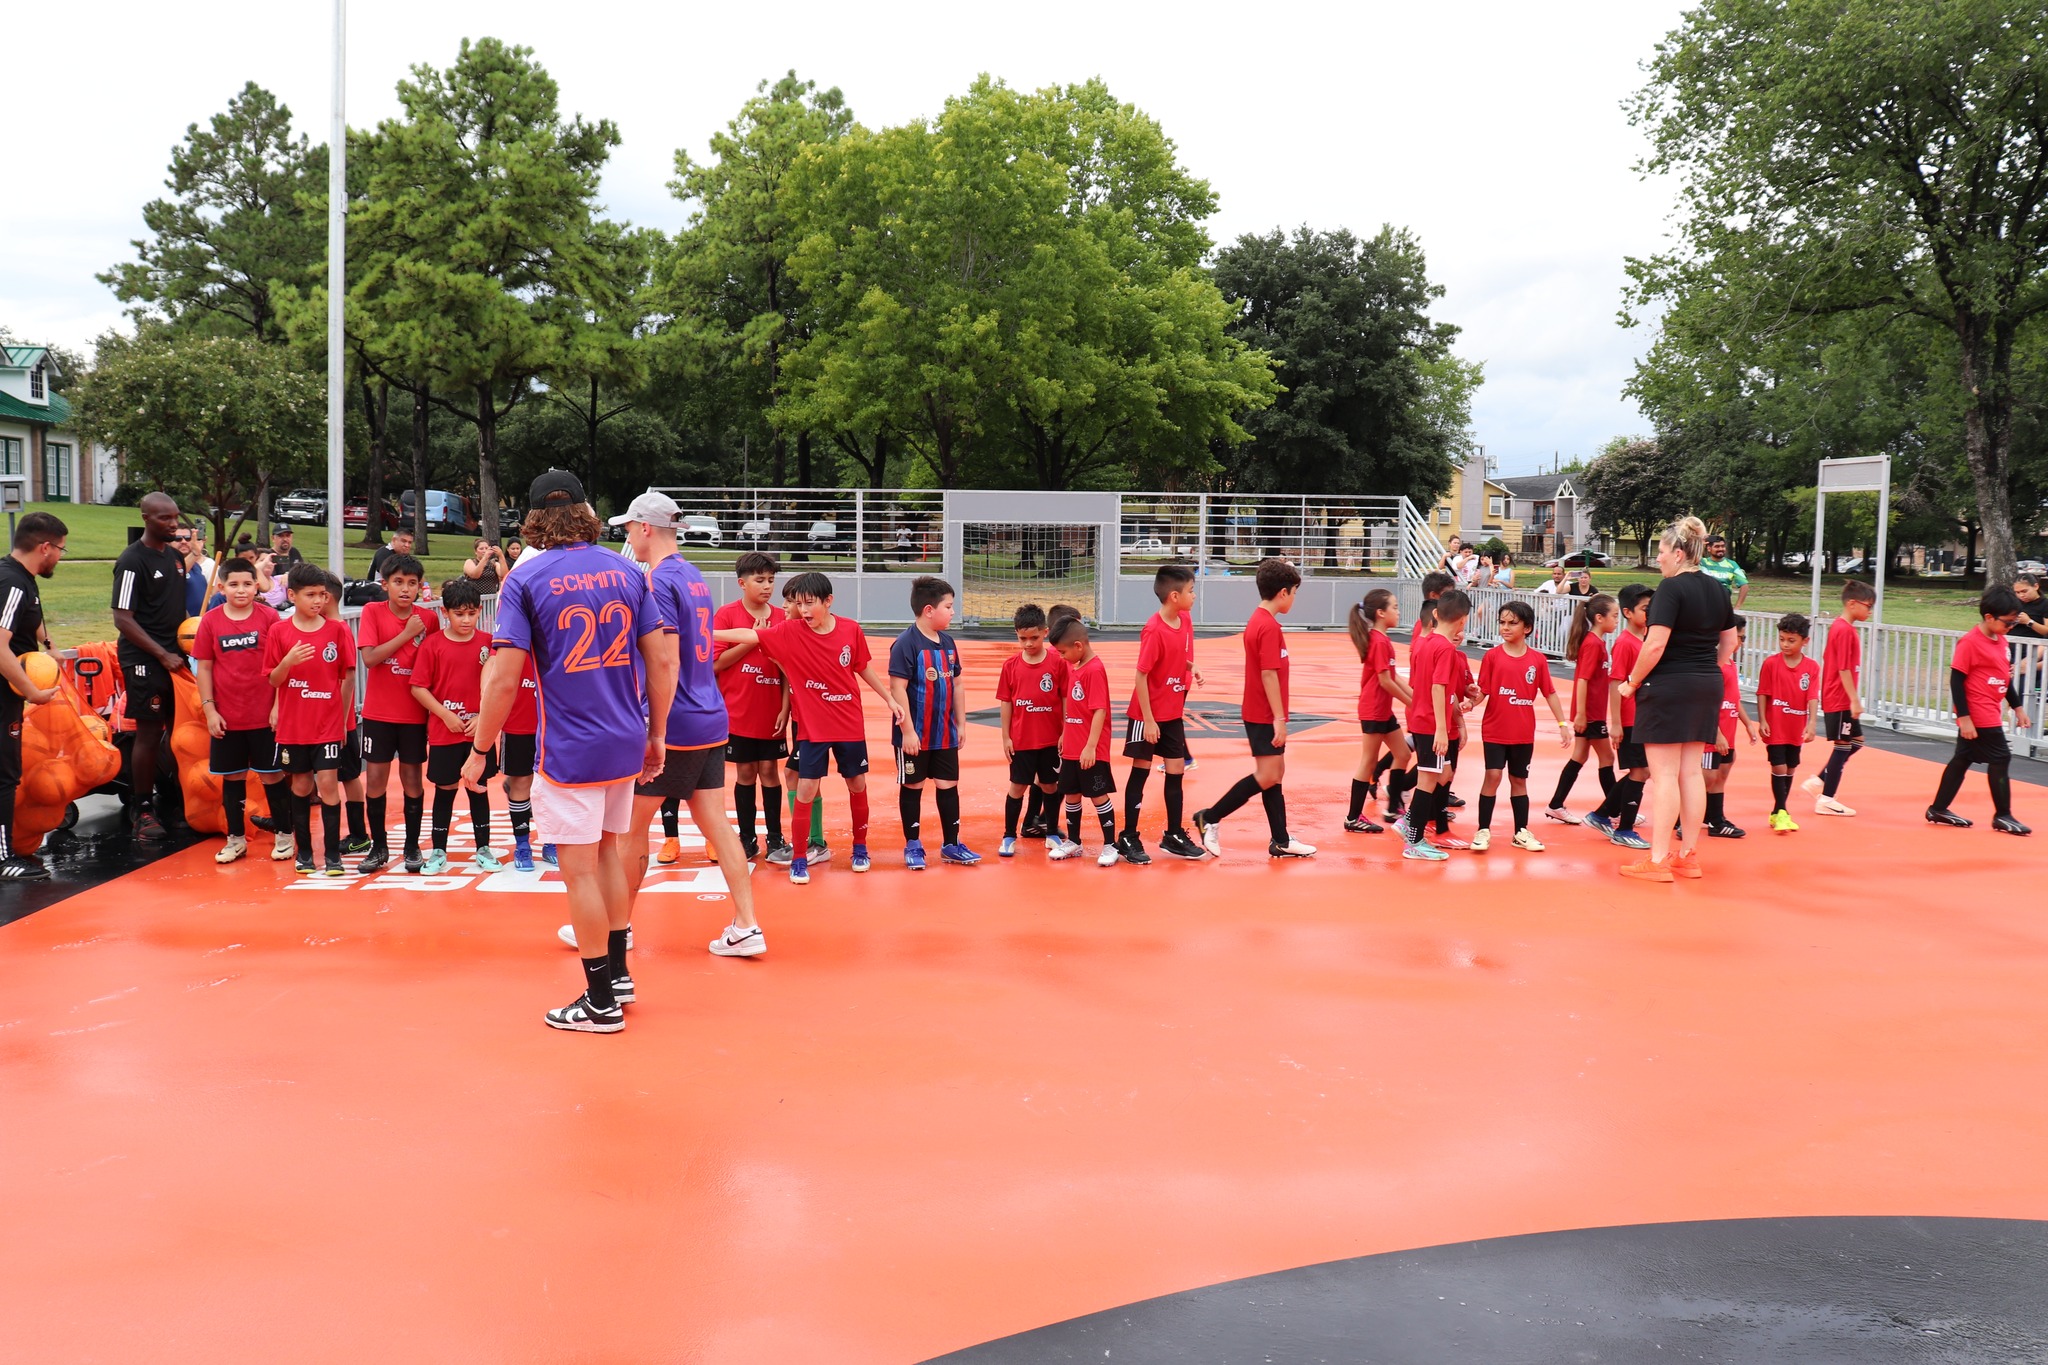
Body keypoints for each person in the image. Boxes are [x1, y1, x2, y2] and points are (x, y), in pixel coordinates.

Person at [462, 469, 676, 1034]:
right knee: (607, 856)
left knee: (578, 871)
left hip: (571, 745)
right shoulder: (628, 571)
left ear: (531, 520)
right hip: (624, 736)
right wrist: (655, 734)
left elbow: (503, 680)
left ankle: (599, 999)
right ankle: (620, 974)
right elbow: (661, 661)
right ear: (587, 510)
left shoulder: (526, 580)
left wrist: (481, 749)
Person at [613, 494, 765, 957]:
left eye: (628, 528)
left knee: (630, 827)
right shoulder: (694, 577)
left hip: (677, 721)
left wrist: (651, 727)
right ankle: (747, 923)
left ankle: (614, 928)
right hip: (709, 716)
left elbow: (667, 660)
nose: (626, 537)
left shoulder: (657, 582)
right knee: (714, 821)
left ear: (645, 528)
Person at [711, 572, 903, 885]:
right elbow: (750, 637)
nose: (804, 611)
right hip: (813, 727)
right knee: (805, 788)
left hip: (848, 723)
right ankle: (799, 858)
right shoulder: (790, 631)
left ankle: (860, 849)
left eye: (809, 604)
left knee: (856, 783)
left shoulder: (850, 630)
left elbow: (862, 667)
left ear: (828, 601)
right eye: (799, 605)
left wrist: (890, 700)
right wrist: (703, 631)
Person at [1612, 515, 1741, 882]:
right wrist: (1704, 666)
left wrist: (1631, 683)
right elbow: (1729, 643)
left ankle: (1657, 860)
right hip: (1706, 684)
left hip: (1668, 686)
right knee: (1690, 772)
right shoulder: (1719, 589)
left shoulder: (1670, 588)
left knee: (1665, 774)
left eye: (1663, 552)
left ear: (1680, 553)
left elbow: (1654, 644)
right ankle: (1688, 855)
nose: (1659, 559)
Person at [1192, 557, 1315, 860]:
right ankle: (1210, 816)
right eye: (1295, 593)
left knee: (1275, 773)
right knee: (1268, 774)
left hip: (1260, 711)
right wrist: (1279, 719)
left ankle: (1281, 840)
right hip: (1263, 713)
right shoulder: (1267, 626)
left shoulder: (1259, 621)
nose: (1295, 599)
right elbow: (1268, 674)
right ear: (1283, 592)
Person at [193, 557, 288, 865]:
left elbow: (281, 667)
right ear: (221, 587)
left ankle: (285, 835)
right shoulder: (210, 621)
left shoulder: (270, 617)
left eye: (247, 583)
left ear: (257, 585)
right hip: (227, 717)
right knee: (232, 779)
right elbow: (204, 667)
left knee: (272, 776)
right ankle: (236, 840)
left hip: (264, 717)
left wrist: (277, 706)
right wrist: (210, 710)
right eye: (233, 584)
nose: (241, 590)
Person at [266, 562, 357, 876]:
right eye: (310, 594)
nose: (318, 600)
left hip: (327, 724)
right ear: (291, 595)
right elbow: (273, 680)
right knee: (301, 785)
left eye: (322, 595)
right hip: (293, 727)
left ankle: (333, 855)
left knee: (329, 783)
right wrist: (288, 662)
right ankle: (304, 852)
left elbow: (347, 675)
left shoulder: (337, 630)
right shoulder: (279, 631)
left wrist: (345, 720)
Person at [113, 492, 193, 842]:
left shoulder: (176, 558)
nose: (174, 523)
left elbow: (177, 613)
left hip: (176, 658)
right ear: (146, 518)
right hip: (145, 660)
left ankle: (174, 802)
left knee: (179, 734)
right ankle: (142, 809)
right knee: (147, 733)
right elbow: (122, 618)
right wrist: (161, 655)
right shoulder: (132, 560)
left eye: (176, 516)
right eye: (165, 518)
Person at [409, 578, 503, 873]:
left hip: (479, 733)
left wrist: (483, 718)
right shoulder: (432, 645)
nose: (466, 619)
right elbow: (419, 687)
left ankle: (484, 849)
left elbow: (497, 686)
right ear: (445, 613)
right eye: (459, 613)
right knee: (445, 788)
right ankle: (438, 850)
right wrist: (445, 715)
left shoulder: (488, 643)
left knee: (478, 786)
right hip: (444, 732)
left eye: (472, 613)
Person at [354, 553, 438, 873]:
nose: (405, 589)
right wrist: (405, 635)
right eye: (398, 582)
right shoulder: (372, 611)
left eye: (412, 583)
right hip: (378, 713)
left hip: (415, 715)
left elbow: (434, 665)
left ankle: (413, 846)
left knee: (412, 781)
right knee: (375, 780)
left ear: (419, 587)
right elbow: (371, 658)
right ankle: (378, 847)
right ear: (385, 584)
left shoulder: (428, 620)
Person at [1925, 587, 2031, 835]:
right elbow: (1956, 681)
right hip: (1978, 711)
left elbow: (2004, 678)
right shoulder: (1970, 642)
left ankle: (1938, 808)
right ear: (1989, 617)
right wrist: (1965, 718)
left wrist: (2017, 707)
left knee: (1962, 759)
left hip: (1991, 709)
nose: (2011, 626)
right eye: (2008, 622)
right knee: (2001, 757)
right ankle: (2003, 815)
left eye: (2015, 621)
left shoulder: (2002, 640)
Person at [1472, 600, 1570, 852]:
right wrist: (1468, 703)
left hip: (1523, 732)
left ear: (1527, 628)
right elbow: (1483, 690)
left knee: (1519, 780)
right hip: (1495, 729)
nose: (1505, 627)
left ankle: (1521, 832)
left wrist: (1562, 723)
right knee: (1492, 776)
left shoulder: (1537, 660)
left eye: (1512, 623)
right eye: (1502, 622)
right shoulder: (1492, 656)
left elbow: (1549, 693)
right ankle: (1483, 830)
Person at [1121, 564, 1203, 863]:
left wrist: (1192, 667)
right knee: (1140, 772)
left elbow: (1176, 659)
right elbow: (1141, 676)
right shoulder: (1154, 630)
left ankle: (1173, 835)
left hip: (1171, 712)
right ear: (1173, 596)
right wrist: (1149, 720)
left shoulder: (1183, 620)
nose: (1194, 596)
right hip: (1147, 715)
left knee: (1176, 772)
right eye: (1191, 591)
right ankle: (1128, 836)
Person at [890, 576, 974, 869]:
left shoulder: (949, 643)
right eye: (948, 606)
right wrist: (908, 731)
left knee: (948, 784)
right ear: (929, 610)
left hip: (945, 733)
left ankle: (951, 843)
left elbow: (958, 684)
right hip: (915, 735)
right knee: (913, 786)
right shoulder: (905, 644)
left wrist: (961, 724)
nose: (953, 612)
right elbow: (897, 688)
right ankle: (913, 844)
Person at [0, 513, 67, 877]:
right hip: (5, 693)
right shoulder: (12, 583)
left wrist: (49, 644)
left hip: (11, 691)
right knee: (5, 774)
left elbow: (30, 615)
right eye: (59, 549)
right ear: (45, 547)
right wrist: (33, 692)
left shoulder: (21, 577)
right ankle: (2, 858)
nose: (59, 556)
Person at [712, 551, 790, 863]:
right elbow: (715, 663)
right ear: (742, 583)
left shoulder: (783, 617)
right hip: (737, 710)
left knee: (770, 771)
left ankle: (774, 836)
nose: (767, 586)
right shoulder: (726, 615)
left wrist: (786, 707)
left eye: (771, 580)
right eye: (760, 580)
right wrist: (752, 639)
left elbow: (787, 668)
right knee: (745, 772)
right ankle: (746, 838)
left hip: (771, 710)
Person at [1396, 589, 1473, 861]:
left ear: (1437, 614)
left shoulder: (1423, 643)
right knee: (1427, 782)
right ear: (1463, 620)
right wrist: (1442, 727)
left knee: (1433, 778)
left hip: (1420, 718)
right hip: (1430, 722)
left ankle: (1408, 826)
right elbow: (1438, 688)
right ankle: (1414, 840)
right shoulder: (1445, 649)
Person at [1583, 584, 1655, 851]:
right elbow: (1615, 684)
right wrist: (1615, 723)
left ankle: (1602, 814)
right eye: (1645, 609)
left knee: (1642, 772)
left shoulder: (1646, 640)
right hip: (1629, 719)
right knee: (1640, 771)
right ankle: (1623, 828)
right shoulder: (1625, 643)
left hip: (1644, 718)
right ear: (1627, 612)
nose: (1650, 613)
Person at [1046, 615, 1119, 866]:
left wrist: (1090, 747)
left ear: (1078, 646)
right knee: (1071, 795)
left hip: (1091, 750)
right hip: (1072, 748)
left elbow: (1099, 710)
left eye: (1063, 652)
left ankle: (1111, 844)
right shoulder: (1074, 665)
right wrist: (1066, 732)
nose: (1061, 657)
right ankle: (1074, 842)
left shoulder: (1095, 670)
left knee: (1098, 796)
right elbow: (1074, 708)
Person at [1545, 594, 1619, 824]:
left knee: (1580, 755)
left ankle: (1556, 804)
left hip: (1591, 712)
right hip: (1590, 714)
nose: (1617, 621)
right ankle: (1616, 809)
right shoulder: (1593, 644)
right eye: (1614, 616)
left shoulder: (1597, 642)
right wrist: (1580, 714)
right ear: (1599, 618)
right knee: (1607, 757)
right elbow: (1583, 680)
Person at [1802, 581, 1875, 816]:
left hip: (1841, 696)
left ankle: (1820, 781)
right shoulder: (1843, 629)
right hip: (1840, 697)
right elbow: (1843, 668)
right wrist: (1854, 699)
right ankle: (1826, 798)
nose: (1870, 611)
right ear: (1852, 603)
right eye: (1868, 606)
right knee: (1843, 745)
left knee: (1857, 741)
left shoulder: (1844, 628)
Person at [996, 603, 1064, 856]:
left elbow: (1066, 697)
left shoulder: (1058, 662)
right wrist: (1006, 737)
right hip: (1022, 740)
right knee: (1017, 787)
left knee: (1050, 786)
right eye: (1022, 638)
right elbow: (1006, 701)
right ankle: (1008, 836)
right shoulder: (1010, 666)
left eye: (1034, 637)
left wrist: (1065, 731)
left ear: (1045, 632)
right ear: (1016, 634)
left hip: (1050, 740)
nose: (1028, 644)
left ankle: (1052, 833)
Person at [1344, 587, 1410, 834]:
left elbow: (1394, 678)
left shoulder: (1382, 640)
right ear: (1381, 613)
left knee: (1402, 753)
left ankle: (1393, 807)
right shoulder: (1379, 641)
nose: (1398, 611)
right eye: (1394, 607)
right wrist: (1412, 703)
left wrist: (1417, 698)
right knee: (1368, 762)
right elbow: (1385, 681)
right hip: (1373, 710)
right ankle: (1353, 817)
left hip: (1382, 711)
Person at [1755, 613, 1820, 833]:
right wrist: (1763, 719)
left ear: (1805, 641)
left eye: (1791, 640)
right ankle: (1782, 811)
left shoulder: (1811, 667)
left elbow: (1812, 696)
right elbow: (1763, 692)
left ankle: (1777, 812)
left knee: (1791, 767)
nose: (1785, 644)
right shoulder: (1771, 663)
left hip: (1795, 725)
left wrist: (1811, 723)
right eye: (1782, 639)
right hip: (1776, 724)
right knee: (1778, 765)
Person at [1703, 620, 1760, 838]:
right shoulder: (1715, 664)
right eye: (1739, 636)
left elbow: (1733, 699)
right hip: (1714, 733)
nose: (1741, 642)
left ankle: (1715, 819)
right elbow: (1706, 701)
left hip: (1728, 731)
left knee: (1722, 775)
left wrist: (1747, 724)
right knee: (1706, 777)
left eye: (1744, 637)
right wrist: (1716, 733)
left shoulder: (1731, 664)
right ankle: (1683, 818)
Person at [1700, 533, 1749, 610]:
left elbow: (1744, 585)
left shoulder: (1732, 564)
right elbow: (1688, 556)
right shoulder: (1702, 562)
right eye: (1717, 546)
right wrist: (1700, 544)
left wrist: (1737, 607)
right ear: (1709, 548)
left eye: (1723, 546)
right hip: (1703, 607)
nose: (1721, 549)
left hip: (1724, 608)